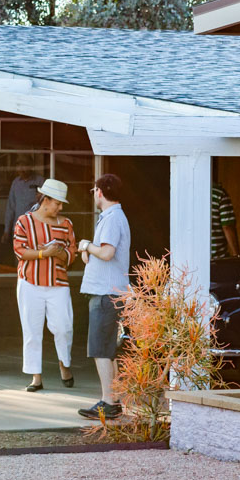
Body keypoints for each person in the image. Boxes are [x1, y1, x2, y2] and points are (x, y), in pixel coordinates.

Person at [13, 178, 77, 392]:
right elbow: (19, 251)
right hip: (30, 283)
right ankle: (36, 377)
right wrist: (43, 253)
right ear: (45, 199)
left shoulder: (66, 224)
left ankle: (64, 364)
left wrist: (58, 253)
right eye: (57, 203)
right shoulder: (24, 221)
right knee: (31, 330)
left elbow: (72, 254)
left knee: (64, 327)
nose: (60, 208)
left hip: (58, 283)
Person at [77, 174, 131, 420]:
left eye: (94, 189)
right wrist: (91, 251)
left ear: (99, 191)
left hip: (105, 293)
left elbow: (108, 252)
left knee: (100, 349)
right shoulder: (115, 216)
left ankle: (108, 402)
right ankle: (114, 399)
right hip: (111, 290)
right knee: (108, 349)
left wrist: (87, 246)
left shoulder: (111, 218)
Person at [2, 162, 45, 243]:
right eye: (19, 166)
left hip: (35, 229)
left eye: (24, 165)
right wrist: (6, 230)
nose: (21, 169)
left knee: (36, 254)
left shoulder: (40, 181)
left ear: (31, 166)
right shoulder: (15, 183)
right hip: (18, 228)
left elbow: (46, 205)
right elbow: (10, 207)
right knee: (19, 254)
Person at [211, 182, 239, 260]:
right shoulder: (219, 193)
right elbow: (227, 227)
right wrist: (237, 255)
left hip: (187, 263)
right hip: (217, 260)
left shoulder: (183, 192)